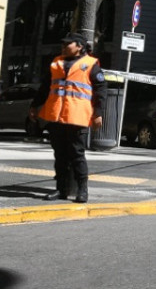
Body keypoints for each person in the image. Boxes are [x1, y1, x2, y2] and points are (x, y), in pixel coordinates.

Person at [31, 33, 106, 203]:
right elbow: (45, 87)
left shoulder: (91, 64)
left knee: (77, 154)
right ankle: (61, 190)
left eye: (67, 44)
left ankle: (82, 190)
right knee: (60, 155)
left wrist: (98, 113)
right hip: (56, 116)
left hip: (77, 116)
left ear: (79, 46)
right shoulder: (56, 62)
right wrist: (35, 106)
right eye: (62, 44)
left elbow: (101, 90)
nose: (63, 47)